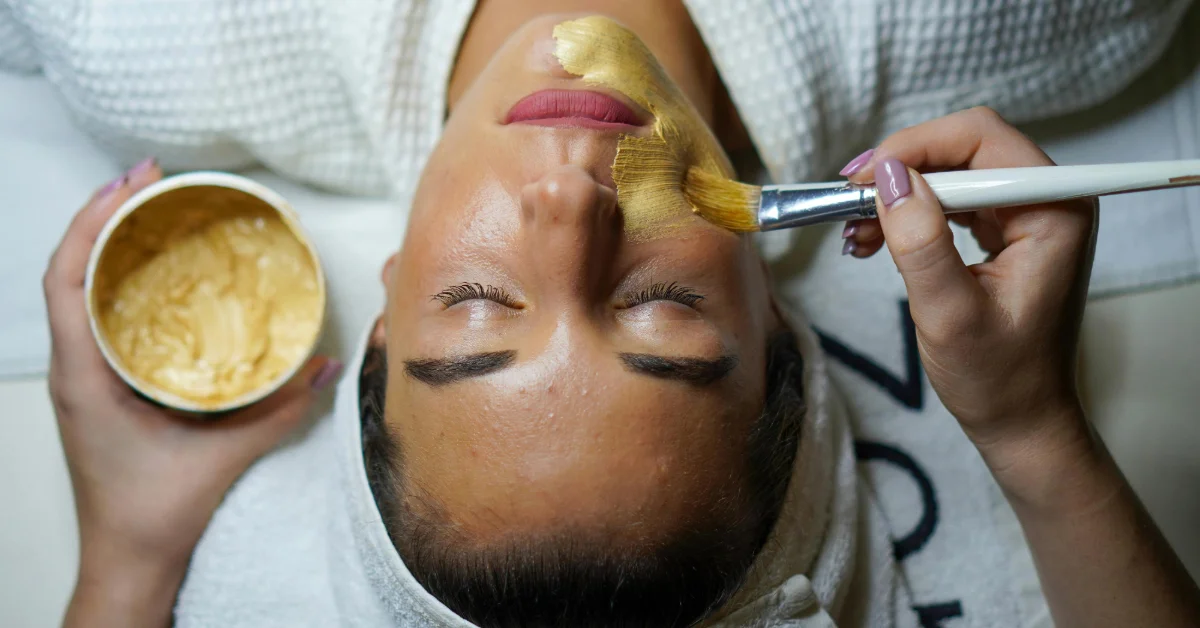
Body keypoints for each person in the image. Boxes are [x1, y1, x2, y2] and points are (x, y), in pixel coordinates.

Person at [22, 1, 1200, 627]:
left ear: (381, 309)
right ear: (783, 316)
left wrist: (122, 558)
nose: (570, 205)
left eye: (481, 302)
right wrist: (1035, 430)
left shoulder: (129, 29)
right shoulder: (1066, 12)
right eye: (659, 303)